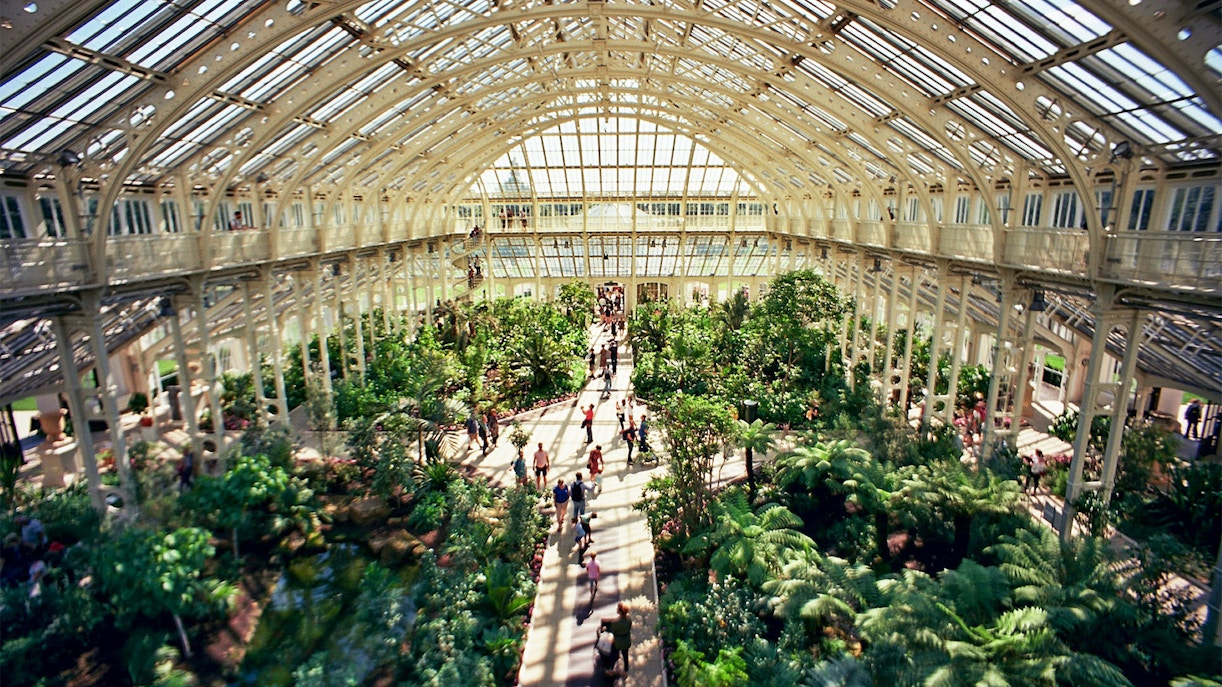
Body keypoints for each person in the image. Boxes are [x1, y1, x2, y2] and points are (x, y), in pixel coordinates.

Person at [599, 602, 632, 675]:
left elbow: (611, 630)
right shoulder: (629, 619)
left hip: (618, 642)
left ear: (620, 611)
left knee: (614, 653)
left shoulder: (615, 622)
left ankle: (610, 668)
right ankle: (626, 668)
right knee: (625, 655)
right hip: (626, 640)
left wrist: (604, 629)